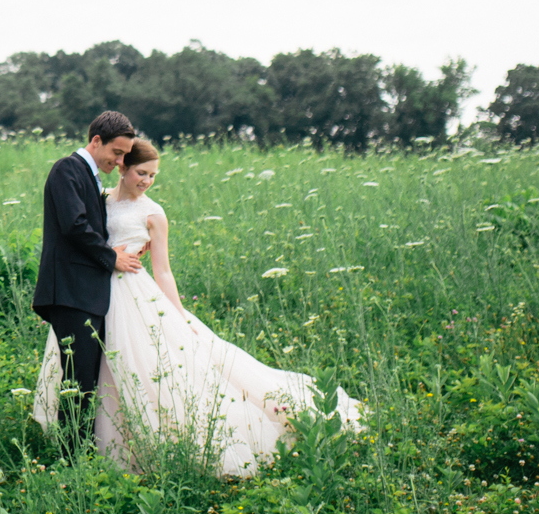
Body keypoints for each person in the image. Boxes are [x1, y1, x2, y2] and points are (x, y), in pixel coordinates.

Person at [32, 139, 364, 476]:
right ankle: (88, 447)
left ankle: (148, 446)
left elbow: (163, 270)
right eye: (141, 173)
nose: (146, 181)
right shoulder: (102, 201)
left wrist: (178, 315)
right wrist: (109, 253)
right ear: (122, 167)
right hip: (95, 293)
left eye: (153, 176)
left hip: (134, 294)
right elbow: (84, 236)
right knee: (98, 369)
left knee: (147, 369)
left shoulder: (153, 213)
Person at [30, 110, 143, 449]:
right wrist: (112, 257)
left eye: (124, 155)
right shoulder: (67, 168)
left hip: (85, 292)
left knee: (87, 380)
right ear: (96, 141)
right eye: (117, 152)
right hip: (69, 291)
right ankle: (71, 457)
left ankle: (80, 451)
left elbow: (90, 228)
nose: (119, 161)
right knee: (78, 381)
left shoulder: (89, 176)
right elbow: (75, 225)